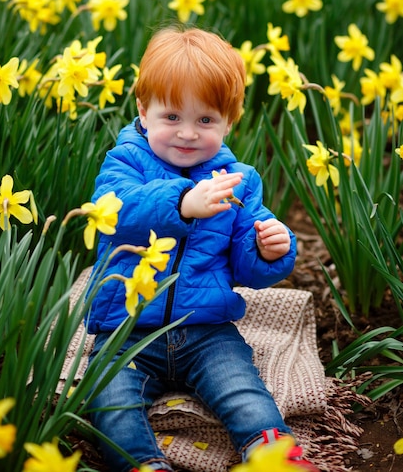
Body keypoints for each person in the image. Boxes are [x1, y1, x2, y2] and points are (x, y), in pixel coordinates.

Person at [85, 25, 320, 472]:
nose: (188, 134)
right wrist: (182, 203)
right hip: (126, 328)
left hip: (206, 330)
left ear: (229, 121)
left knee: (242, 389)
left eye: (206, 120)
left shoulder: (239, 180)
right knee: (110, 398)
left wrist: (271, 250)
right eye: (172, 117)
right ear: (143, 109)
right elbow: (112, 213)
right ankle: (142, 464)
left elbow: (246, 269)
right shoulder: (125, 162)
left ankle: (274, 457)